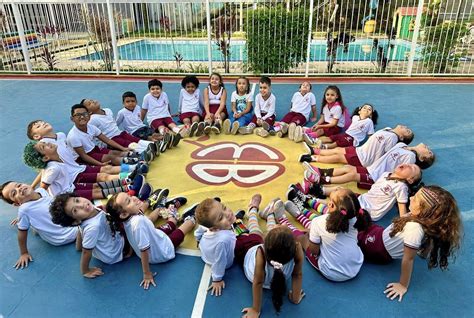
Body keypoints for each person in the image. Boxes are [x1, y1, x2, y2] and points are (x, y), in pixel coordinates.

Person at [357, 186, 462, 302]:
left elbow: (409, 259)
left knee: (350, 233)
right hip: (380, 234)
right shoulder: (417, 216)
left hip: (377, 248)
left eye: (415, 198)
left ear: (423, 210)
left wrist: (403, 285)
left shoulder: (414, 229)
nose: (411, 198)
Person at [105, 191, 196, 289]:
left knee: (172, 223)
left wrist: (131, 251)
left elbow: (132, 237)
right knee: (186, 226)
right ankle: (189, 217)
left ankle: (168, 206)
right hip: (163, 250)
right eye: (129, 201)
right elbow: (144, 250)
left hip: (155, 235)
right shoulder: (137, 223)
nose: (134, 198)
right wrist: (147, 273)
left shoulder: (129, 217)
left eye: (130, 196)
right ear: (124, 214)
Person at [194, 195, 266, 297]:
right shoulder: (223, 240)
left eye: (224, 207)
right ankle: (240, 219)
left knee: (231, 224)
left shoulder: (211, 227)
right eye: (220, 217)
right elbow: (219, 261)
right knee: (245, 234)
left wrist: (198, 239)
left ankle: (237, 219)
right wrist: (217, 279)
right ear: (214, 228)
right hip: (225, 258)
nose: (227, 213)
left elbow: (200, 230)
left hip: (207, 244)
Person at [22, 141, 143, 200]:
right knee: (96, 191)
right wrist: (33, 199)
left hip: (71, 186)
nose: (48, 143)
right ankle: (129, 190)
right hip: (66, 195)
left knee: (96, 186)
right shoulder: (53, 168)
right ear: (45, 157)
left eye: (44, 143)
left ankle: (127, 183)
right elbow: (43, 186)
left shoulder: (53, 163)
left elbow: (43, 173)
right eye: (44, 146)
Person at [0, 181, 79, 269]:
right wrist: (24, 253)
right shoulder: (24, 210)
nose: (19, 189)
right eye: (14, 193)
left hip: (60, 223)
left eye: (19, 185)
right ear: (17, 204)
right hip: (63, 235)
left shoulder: (41, 191)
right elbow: (22, 233)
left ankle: (35, 227)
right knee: (89, 218)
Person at [50, 192, 127, 278]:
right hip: (116, 252)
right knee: (130, 220)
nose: (81, 205)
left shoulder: (88, 214)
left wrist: (78, 246)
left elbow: (80, 229)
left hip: (109, 240)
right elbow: (86, 252)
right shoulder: (93, 227)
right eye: (75, 210)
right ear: (76, 221)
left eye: (77, 200)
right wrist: (85, 271)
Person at [303, 142, 435, 190]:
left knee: (352, 175)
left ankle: (322, 180)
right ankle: (321, 171)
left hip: (377, 175)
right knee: (347, 168)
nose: (428, 148)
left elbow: (400, 172)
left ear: (422, 158)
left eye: (428, 152)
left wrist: (384, 180)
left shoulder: (410, 157)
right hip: (373, 168)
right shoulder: (402, 146)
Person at [26, 119, 134, 177]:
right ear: (36, 137)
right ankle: (130, 174)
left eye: (42, 122)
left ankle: (133, 167)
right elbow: (43, 170)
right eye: (38, 126)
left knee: (107, 168)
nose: (43, 123)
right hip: (71, 173)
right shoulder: (43, 145)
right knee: (104, 174)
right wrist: (33, 186)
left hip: (77, 165)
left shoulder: (61, 135)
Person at [315, 164, 422, 221]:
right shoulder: (386, 174)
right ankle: (318, 191)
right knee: (340, 191)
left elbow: (402, 209)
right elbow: (374, 188)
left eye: (412, 168)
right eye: (409, 164)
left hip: (369, 211)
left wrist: (404, 221)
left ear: (410, 180)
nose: (408, 165)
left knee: (339, 208)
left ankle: (314, 203)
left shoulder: (401, 187)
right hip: (362, 199)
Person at [304, 188, 366, 281]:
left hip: (333, 272)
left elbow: (314, 251)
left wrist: (311, 236)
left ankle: (299, 212)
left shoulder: (318, 221)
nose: (338, 188)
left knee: (302, 238)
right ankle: (308, 201)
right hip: (355, 266)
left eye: (337, 189)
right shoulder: (355, 218)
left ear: (330, 205)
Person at [241, 226, 305, 317]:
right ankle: (270, 214)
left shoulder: (261, 252)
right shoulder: (297, 247)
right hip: (282, 276)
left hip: (254, 272)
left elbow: (258, 282)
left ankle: (253, 212)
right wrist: (296, 296)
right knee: (266, 233)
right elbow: (297, 274)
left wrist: (255, 310)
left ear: (265, 245)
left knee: (253, 235)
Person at [299, 125, 414, 166]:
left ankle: (313, 158)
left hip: (364, 158)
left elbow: (386, 155)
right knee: (339, 150)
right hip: (361, 150)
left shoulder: (393, 138)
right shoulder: (388, 129)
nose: (406, 128)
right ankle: (314, 151)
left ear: (402, 138)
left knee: (339, 157)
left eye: (407, 131)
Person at [67, 104, 141, 166]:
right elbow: (83, 156)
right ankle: (136, 165)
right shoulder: (73, 136)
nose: (82, 117)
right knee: (111, 157)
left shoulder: (91, 127)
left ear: (89, 115)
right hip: (82, 158)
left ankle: (139, 157)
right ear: (72, 119)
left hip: (93, 149)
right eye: (78, 115)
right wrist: (100, 164)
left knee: (116, 152)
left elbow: (107, 140)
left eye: (84, 114)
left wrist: (123, 148)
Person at [82, 98, 156, 152]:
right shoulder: (92, 120)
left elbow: (113, 124)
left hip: (119, 133)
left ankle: (153, 144)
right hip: (111, 139)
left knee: (134, 139)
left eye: (92, 100)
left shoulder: (108, 110)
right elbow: (89, 134)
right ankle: (145, 151)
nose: (93, 101)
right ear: (89, 112)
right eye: (89, 103)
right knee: (127, 143)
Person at [305, 103, 378, 149]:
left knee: (337, 143)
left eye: (369, 109)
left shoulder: (369, 122)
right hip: (346, 133)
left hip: (353, 139)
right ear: (359, 111)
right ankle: (314, 141)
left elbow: (370, 135)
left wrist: (369, 145)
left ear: (371, 115)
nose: (366, 109)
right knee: (332, 138)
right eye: (364, 107)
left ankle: (324, 147)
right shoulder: (355, 117)